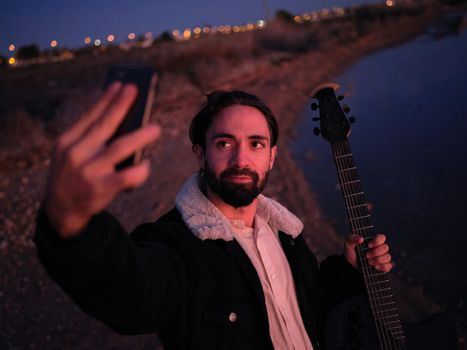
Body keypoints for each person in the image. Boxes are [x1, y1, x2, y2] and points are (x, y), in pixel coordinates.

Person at [34, 83, 392, 350]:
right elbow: (135, 297)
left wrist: (348, 269)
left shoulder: (287, 234)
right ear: (201, 155)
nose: (240, 160)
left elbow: (310, 309)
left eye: (256, 144)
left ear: (271, 157)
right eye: (224, 143)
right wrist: (74, 224)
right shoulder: (173, 244)